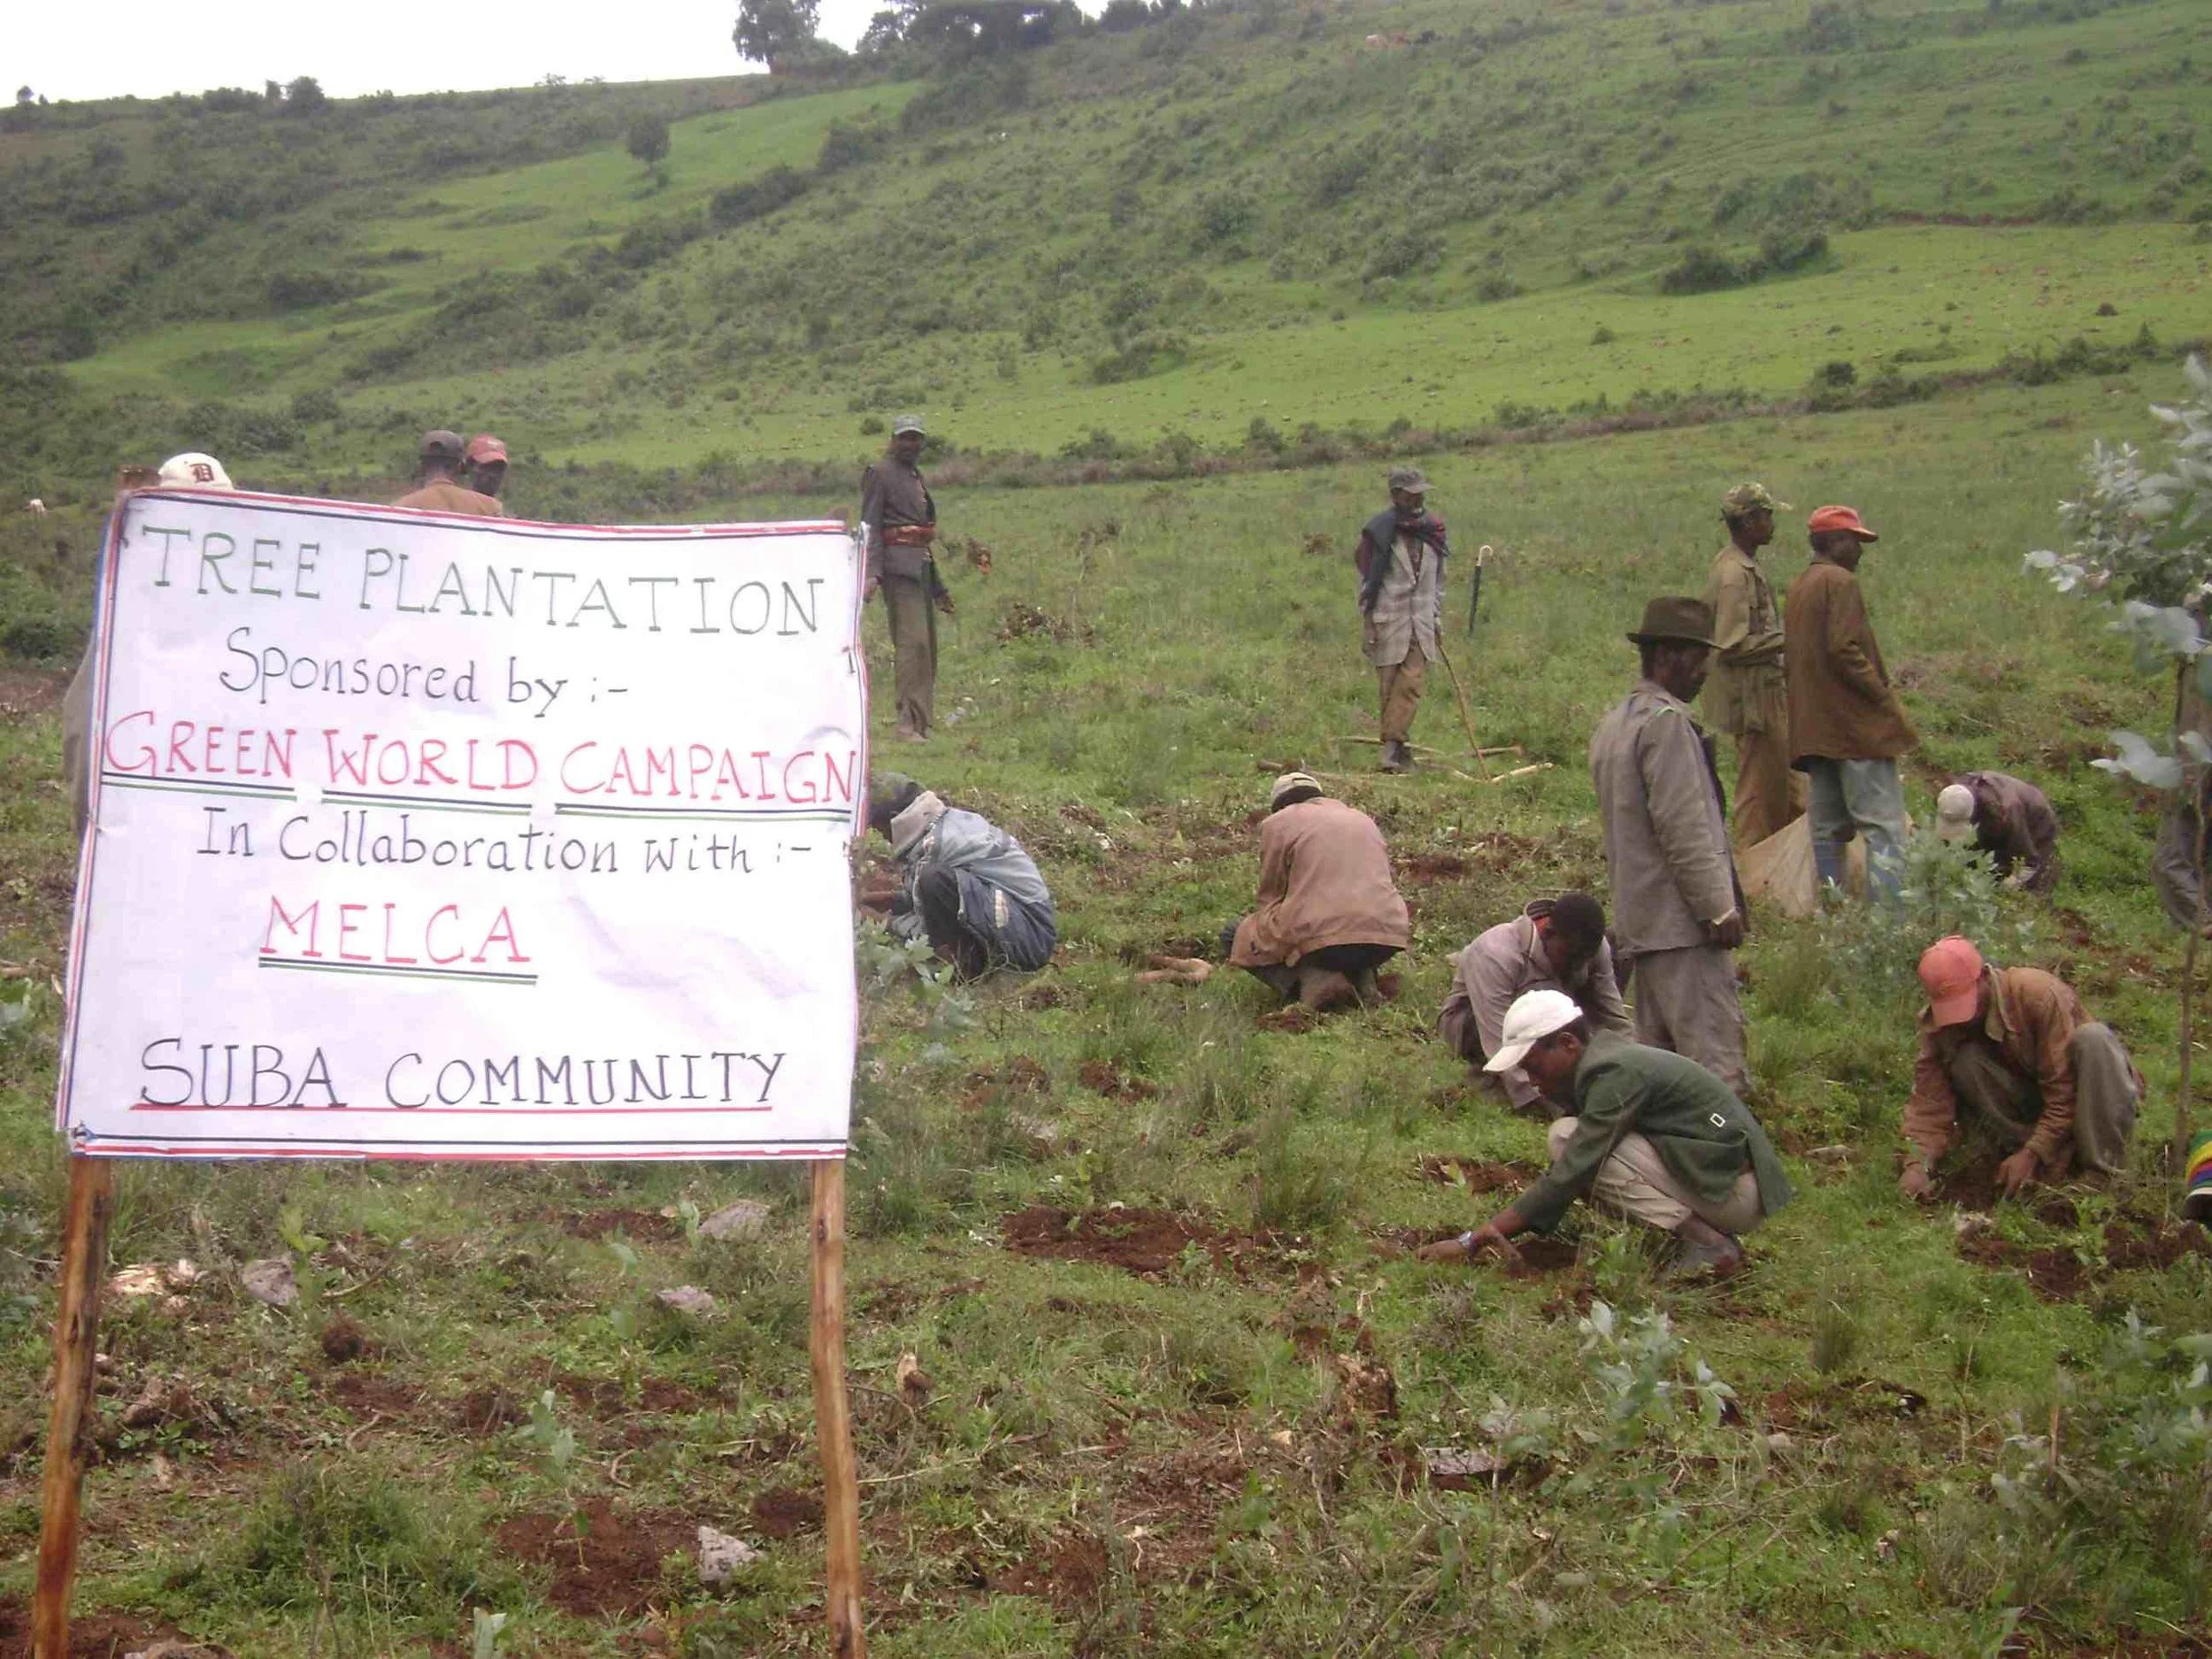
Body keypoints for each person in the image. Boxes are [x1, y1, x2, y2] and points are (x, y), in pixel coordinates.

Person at [1417, 989, 1793, 1278]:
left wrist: (1473, 1239)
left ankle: (1709, 1244)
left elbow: (1571, 1172)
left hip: (1735, 1194)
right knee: (1574, 1142)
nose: (1532, 1080)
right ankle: (1698, 1238)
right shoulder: (1609, 1061)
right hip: (1718, 1180)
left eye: (1534, 1066)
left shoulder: (1614, 1075)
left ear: (1568, 1044)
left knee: (1567, 1139)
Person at [1588, 596, 1748, 1094]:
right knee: (1715, 1076)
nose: (1704, 672)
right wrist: (1718, 908)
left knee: (1662, 1080)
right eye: (1698, 658)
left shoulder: (1616, 724)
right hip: (1684, 929)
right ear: (1666, 656)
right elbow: (1684, 827)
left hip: (1642, 926)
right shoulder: (1666, 723)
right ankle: (1724, 1146)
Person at [63, 453, 237, 835]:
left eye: (215, 505)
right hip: (132, 686)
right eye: (188, 504)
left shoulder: (242, 566)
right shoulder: (134, 549)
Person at [1900, 937, 2141, 1202]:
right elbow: (1928, 1105)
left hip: (2085, 1105)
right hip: (2029, 1111)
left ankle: (2102, 1174)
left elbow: (2064, 1091)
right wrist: (1917, 1166)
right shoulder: (1940, 1026)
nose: (1961, 1019)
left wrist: (2032, 1153)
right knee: (1965, 1060)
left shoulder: (2039, 995)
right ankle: (2039, 1168)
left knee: (2094, 1039)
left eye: (1965, 1004)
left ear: (1983, 978)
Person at [1785, 504, 1915, 900]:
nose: (1860, 551)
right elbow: (1844, 649)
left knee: (1826, 830)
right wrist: (1881, 696)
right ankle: (1889, 925)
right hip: (1856, 728)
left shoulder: (1800, 586)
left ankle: (1834, 916)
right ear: (1834, 542)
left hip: (1816, 731)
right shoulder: (1840, 582)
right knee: (1884, 829)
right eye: (1854, 542)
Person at [1226, 772, 1410, 1010]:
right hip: (1388, 933)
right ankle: (1364, 982)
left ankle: (1316, 984)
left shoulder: (1278, 822)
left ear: (1279, 806)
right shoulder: (1361, 818)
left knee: (1235, 933)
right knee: (1350, 926)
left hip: (1323, 942)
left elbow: (1271, 894)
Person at [1440, 892, 1632, 1118]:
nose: (1577, 965)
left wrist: (1633, 1071)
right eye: (1570, 956)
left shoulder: (1594, 949)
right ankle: (1506, 1082)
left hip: (1553, 1022)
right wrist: (1557, 1110)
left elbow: (1613, 1017)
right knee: (1534, 1004)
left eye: (1584, 959)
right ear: (1547, 933)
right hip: (1476, 1025)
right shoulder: (1495, 952)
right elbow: (1497, 1041)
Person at [865, 775, 1055, 979]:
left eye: (879, 828)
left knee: (933, 879)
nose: (882, 836)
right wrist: (892, 900)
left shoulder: (934, 847)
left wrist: (884, 922)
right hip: (1027, 921)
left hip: (1031, 936)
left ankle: (964, 968)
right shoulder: (944, 822)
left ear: (895, 818)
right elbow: (930, 897)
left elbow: (925, 929)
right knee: (933, 880)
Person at [1702, 482, 1801, 847]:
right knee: (1759, 797)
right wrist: (1791, 638)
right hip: (1755, 700)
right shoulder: (1735, 574)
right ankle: (1753, 868)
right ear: (1748, 522)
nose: (1772, 525)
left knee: (1788, 790)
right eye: (1767, 517)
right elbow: (1730, 644)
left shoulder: (1742, 564)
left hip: (1766, 693)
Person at [860, 415, 954, 742]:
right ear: (893, 439)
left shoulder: (915, 476)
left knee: (927, 648)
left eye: (915, 438)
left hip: (921, 568)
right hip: (897, 569)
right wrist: (872, 573)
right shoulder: (879, 473)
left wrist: (939, 588)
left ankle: (921, 722)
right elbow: (870, 527)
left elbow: (922, 537)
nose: (910, 444)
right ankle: (905, 723)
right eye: (904, 438)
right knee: (912, 645)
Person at [1354, 465, 1448, 773]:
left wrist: (1436, 619)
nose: (1418, 499)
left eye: (1421, 493)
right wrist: (1368, 623)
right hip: (1388, 620)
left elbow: (1438, 582)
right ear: (1396, 495)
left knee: (1411, 685)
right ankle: (1397, 748)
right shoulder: (1379, 533)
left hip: (1421, 622)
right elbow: (1367, 582)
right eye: (1411, 494)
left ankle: (1392, 749)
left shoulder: (1433, 532)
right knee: (1389, 688)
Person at [1935, 772, 2060, 894]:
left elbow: (2029, 863)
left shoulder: (2007, 815)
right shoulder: (1953, 795)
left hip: (2037, 820)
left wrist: (2004, 889)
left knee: (2018, 881)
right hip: (1997, 809)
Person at [395, 430, 505, 516]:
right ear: (460, 467)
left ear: (421, 467)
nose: (492, 474)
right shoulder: (490, 507)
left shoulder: (402, 507)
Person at [465, 434, 509, 503]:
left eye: (499, 469)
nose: (492, 475)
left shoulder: (498, 508)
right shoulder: (453, 504)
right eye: (487, 467)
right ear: (470, 467)